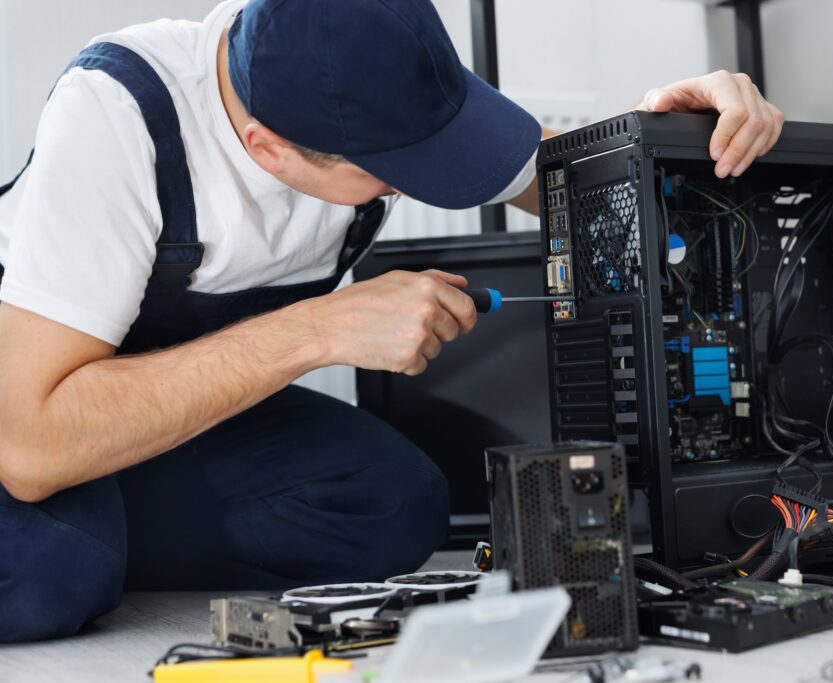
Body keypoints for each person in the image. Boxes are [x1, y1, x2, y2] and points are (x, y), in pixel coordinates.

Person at [0, 0, 784, 642]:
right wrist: (318, 330)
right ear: (266, 150)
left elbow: (561, 180)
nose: (418, 183)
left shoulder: (368, 62)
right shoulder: (120, 115)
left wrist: (667, 130)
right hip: (29, 403)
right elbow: (31, 447)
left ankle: (106, 519)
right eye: (392, 172)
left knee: (393, 504)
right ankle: (83, 536)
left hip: (162, 414)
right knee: (52, 572)